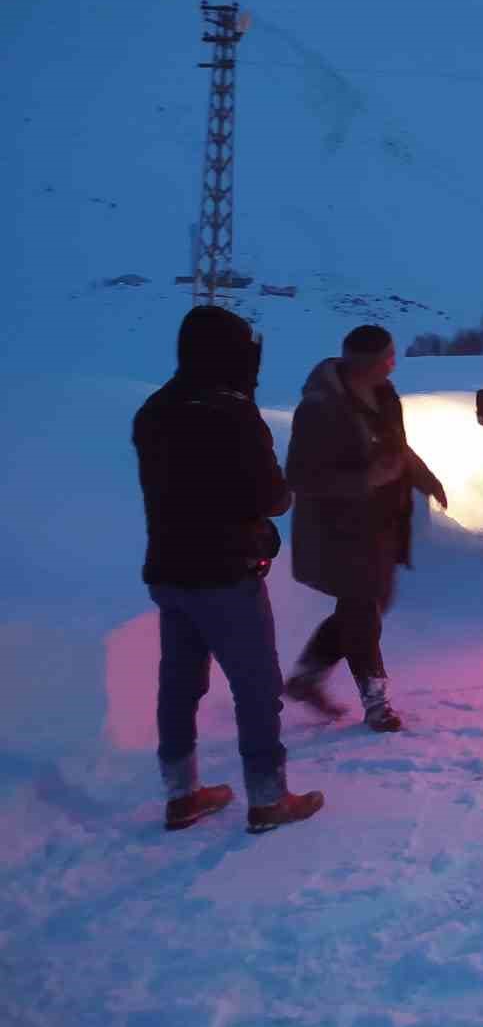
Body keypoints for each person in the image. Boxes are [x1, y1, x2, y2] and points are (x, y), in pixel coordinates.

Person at [133, 306, 325, 833]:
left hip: (168, 572)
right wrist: (281, 492)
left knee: (177, 685)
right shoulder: (233, 413)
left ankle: (182, 794)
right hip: (226, 574)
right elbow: (271, 496)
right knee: (256, 686)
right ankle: (267, 799)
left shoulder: (154, 410)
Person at [283, 325, 447, 731]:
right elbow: (300, 477)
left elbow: (397, 447)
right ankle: (377, 703)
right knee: (362, 613)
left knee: (371, 606)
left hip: (382, 524)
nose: (394, 363)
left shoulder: (385, 394)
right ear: (367, 363)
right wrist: (365, 480)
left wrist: (426, 478)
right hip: (339, 529)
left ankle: (306, 677)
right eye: (388, 357)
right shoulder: (320, 407)